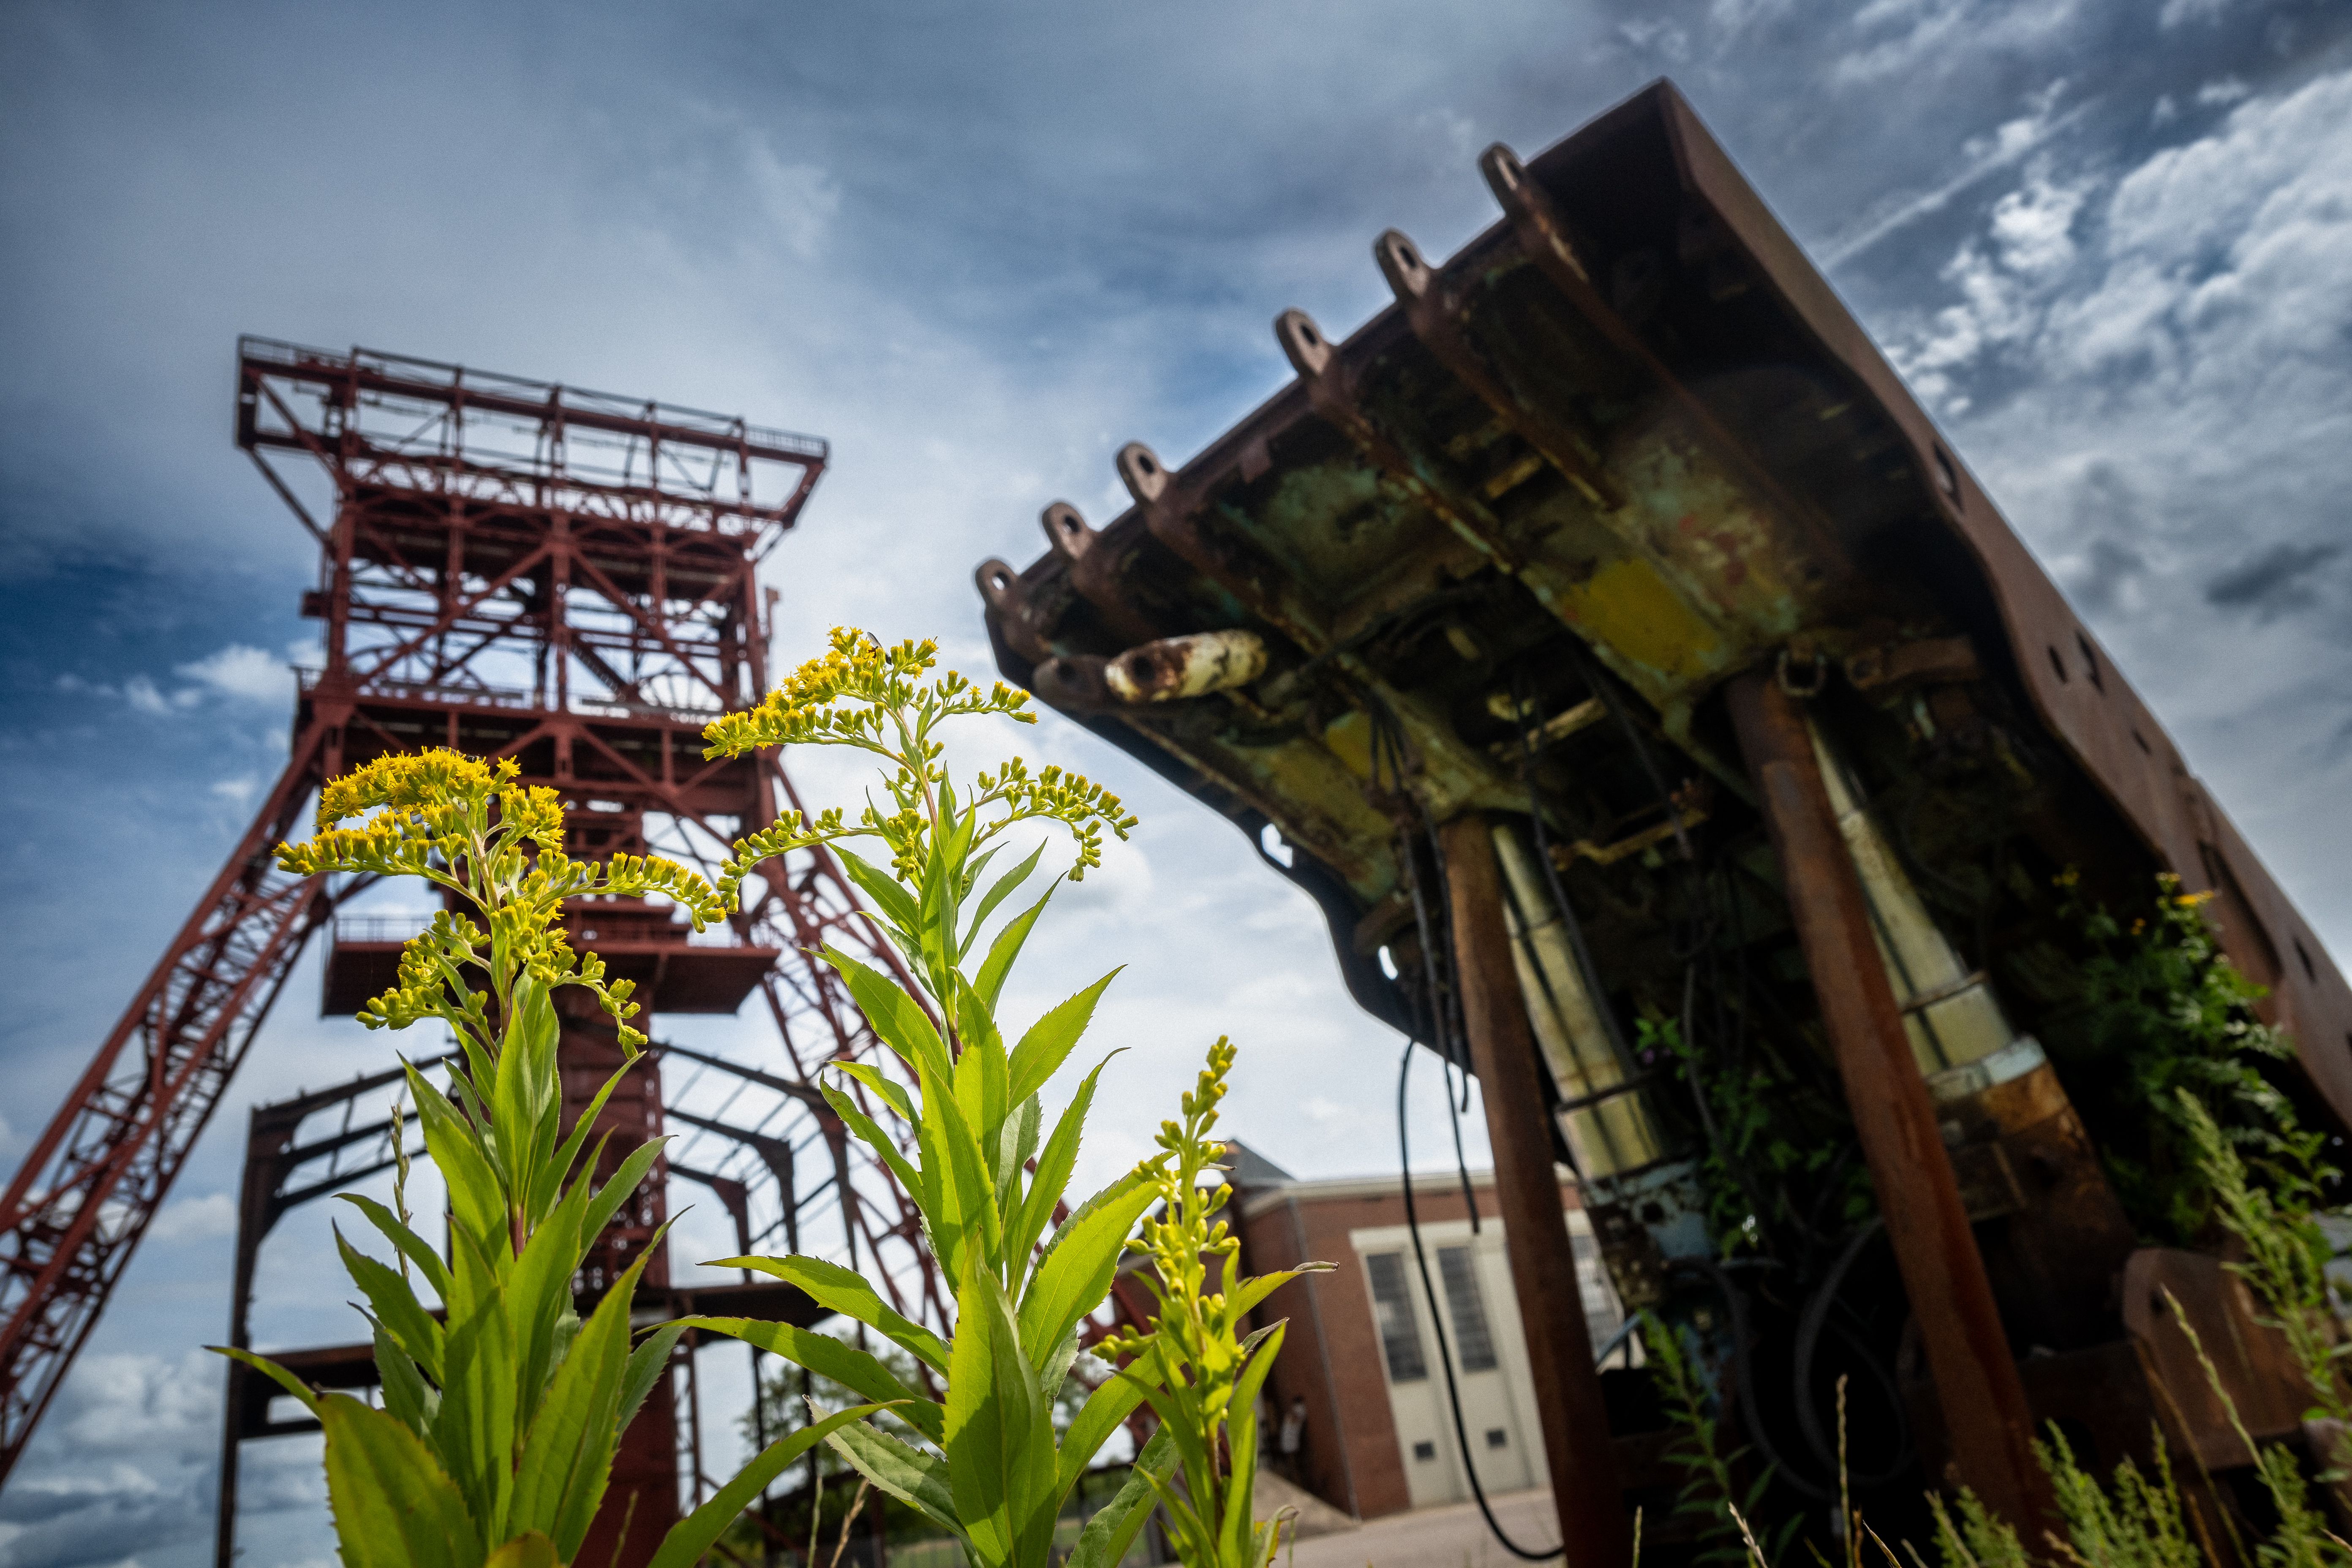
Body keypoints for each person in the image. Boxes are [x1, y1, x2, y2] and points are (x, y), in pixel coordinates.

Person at [1276, 1394, 1307, 1482]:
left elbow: (1296, 1419)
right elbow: (1297, 1419)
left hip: (1290, 1445)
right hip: (1290, 1445)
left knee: (1294, 1467)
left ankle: (1298, 1481)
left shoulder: (1294, 1414)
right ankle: (1298, 1482)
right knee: (1294, 1467)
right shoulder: (1296, 1414)